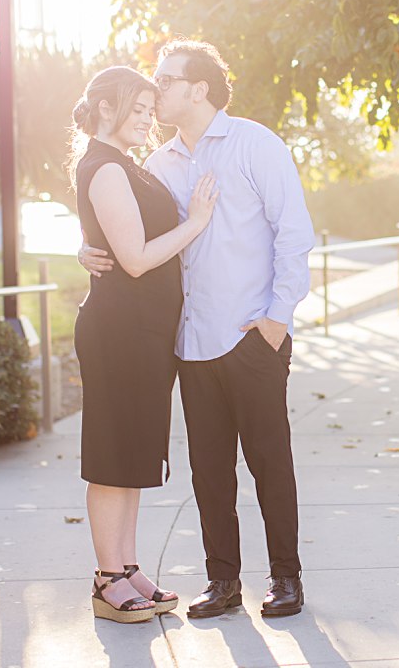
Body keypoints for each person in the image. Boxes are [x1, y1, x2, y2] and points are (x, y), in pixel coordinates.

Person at [80, 40, 315, 618]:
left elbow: (294, 234)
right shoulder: (156, 165)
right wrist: (85, 247)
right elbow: (126, 228)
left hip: (252, 335)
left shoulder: (255, 144)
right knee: (209, 472)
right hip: (189, 342)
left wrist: (276, 321)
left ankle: (286, 578)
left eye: (165, 80)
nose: (155, 92)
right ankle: (223, 583)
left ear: (199, 88)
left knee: (270, 465)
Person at [68, 66, 219, 624]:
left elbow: (106, 235)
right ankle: (107, 578)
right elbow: (133, 258)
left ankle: (127, 567)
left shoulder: (124, 166)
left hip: (145, 333)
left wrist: (82, 246)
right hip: (119, 333)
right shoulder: (104, 166)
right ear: (106, 108)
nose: (145, 118)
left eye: (148, 109)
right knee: (113, 455)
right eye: (136, 108)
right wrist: (197, 222)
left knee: (133, 453)